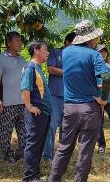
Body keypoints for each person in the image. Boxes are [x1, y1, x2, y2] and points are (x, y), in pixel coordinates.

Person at [49, 20, 110, 182]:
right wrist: (103, 99)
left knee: (64, 147)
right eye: (95, 38)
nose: (96, 41)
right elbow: (105, 78)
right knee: (85, 150)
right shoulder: (94, 55)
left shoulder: (66, 52)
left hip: (69, 107)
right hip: (89, 109)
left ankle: (53, 179)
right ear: (89, 39)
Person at [20, 39, 52, 181]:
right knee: (33, 144)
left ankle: (35, 175)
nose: (48, 52)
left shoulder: (38, 67)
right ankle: (29, 177)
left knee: (38, 144)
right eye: (45, 50)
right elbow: (25, 89)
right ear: (36, 51)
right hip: (36, 113)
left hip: (43, 113)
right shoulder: (30, 68)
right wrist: (29, 106)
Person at [43, 32, 76, 164]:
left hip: (70, 96)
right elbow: (51, 69)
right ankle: (47, 154)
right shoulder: (56, 53)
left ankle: (62, 155)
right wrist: (68, 72)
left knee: (66, 127)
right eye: (74, 43)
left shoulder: (75, 56)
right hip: (55, 95)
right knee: (52, 125)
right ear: (67, 42)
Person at [0, 31, 26, 164]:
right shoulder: (1, 58)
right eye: (17, 40)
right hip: (7, 103)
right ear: (9, 43)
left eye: (20, 40)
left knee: (25, 134)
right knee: (5, 132)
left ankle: (19, 154)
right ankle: (7, 156)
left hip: (23, 103)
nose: (20, 43)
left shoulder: (22, 59)